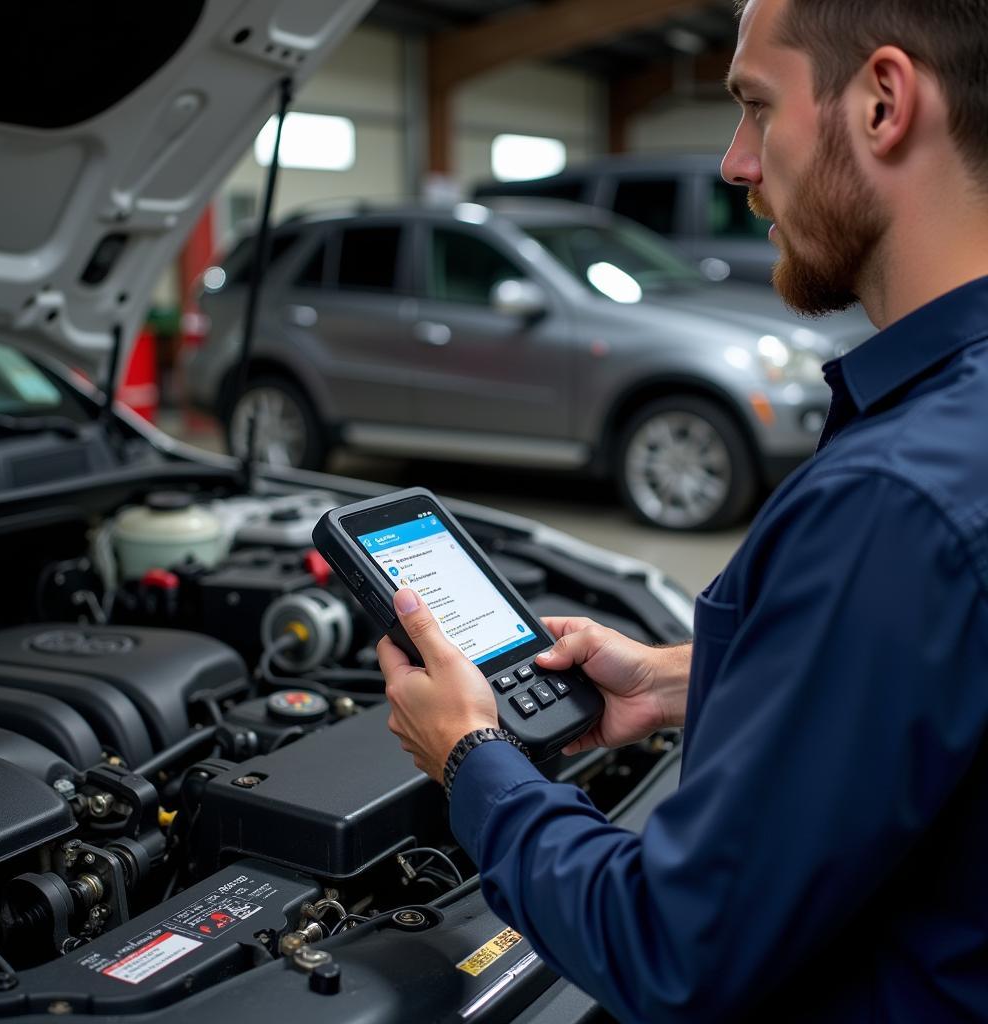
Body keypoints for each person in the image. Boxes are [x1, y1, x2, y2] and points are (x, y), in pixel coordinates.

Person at [377, 0, 988, 1019]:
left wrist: (471, 758)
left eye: (755, 107)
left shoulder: (892, 499)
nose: (736, 164)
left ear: (883, 102)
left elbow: (670, 949)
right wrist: (684, 680)